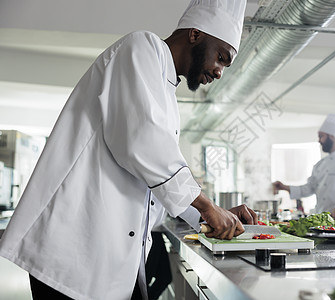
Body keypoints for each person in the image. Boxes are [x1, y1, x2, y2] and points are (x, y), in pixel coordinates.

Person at [0, 1, 256, 299]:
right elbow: (143, 142)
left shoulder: (166, 93)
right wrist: (207, 207)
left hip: (104, 261)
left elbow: (151, 179)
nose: (219, 71)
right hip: (69, 258)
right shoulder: (142, 47)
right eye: (221, 57)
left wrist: (209, 215)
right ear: (195, 35)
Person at [273, 114, 335, 221]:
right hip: (323, 221)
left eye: (321, 136)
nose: (319, 140)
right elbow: (310, 188)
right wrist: (285, 187)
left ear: (332, 136)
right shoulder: (320, 164)